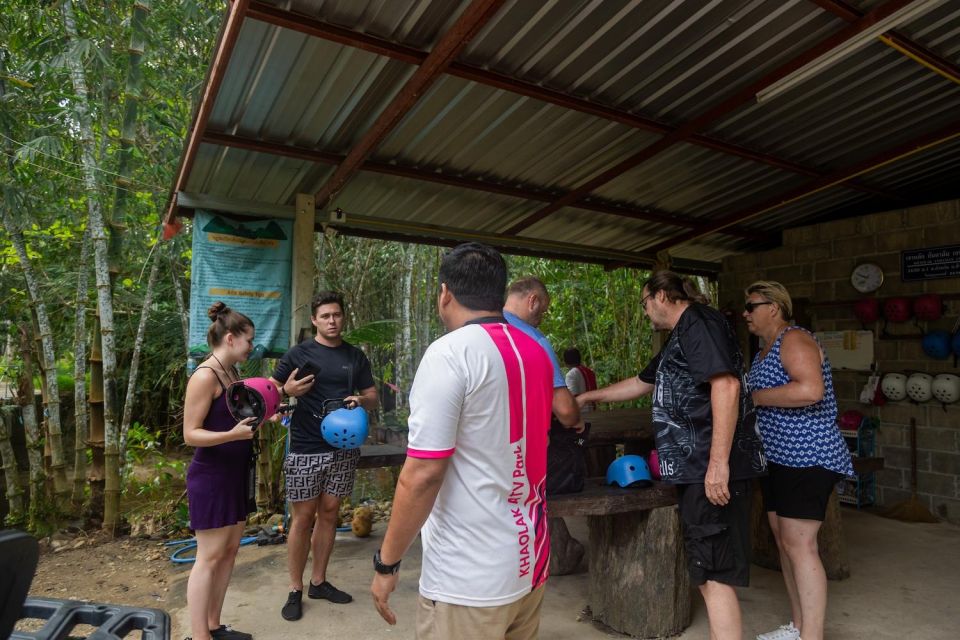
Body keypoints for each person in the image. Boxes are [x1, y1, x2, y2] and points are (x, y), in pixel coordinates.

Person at [370, 242, 554, 639]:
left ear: (445, 293)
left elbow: (421, 475)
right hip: (529, 562)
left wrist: (387, 563)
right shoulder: (536, 353)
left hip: (469, 580)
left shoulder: (450, 355)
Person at [576, 271, 766, 640]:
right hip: (697, 467)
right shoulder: (683, 333)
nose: (645, 313)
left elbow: (726, 385)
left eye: (645, 303)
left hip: (709, 467)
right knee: (708, 570)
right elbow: (642, 382)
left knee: (713, 574)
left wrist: (717, 464)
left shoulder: (699, 323)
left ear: (662, 296)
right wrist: (588, 398)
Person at [744, 281, 853, 640]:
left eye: (751, 306)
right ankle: (798, 626)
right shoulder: (764, 350)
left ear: (773, 307)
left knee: (800, 545)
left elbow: (810, 390)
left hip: (808, 456)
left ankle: (812, 636)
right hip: (778, 457)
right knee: (784, 541)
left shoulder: (793, 340)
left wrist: (756, 397)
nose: (745, 314)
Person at [270, 291, 379, 621]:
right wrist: (287, 391)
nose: (332, 321)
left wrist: (360, 401)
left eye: (337, 315)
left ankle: (319, 581)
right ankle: (294, 588)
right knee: (303, 518)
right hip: (305, 446)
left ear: (343, 317)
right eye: (326, 316)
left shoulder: (355, 357)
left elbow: (373, 396)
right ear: (315, 320)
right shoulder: (298, 354)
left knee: (330, 513)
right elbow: (270, 391)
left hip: (343, 448)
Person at [183, 302, 258, 640]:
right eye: (248, 341)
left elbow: (233, 416)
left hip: (235, 475)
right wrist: (232, 435)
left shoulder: (232, 374)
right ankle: (200, 636)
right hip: (211, 477)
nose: (252, 347)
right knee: (208, 557)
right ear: (230, 338)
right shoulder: (204, 376)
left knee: (228, 553)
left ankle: (214, 625)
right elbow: (190, 434)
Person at [503, 277, 580, 429]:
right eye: (542, 312)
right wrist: (576, 416)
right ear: (532, 301)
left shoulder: (480, 328)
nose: (540, 320)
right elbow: (566, 411)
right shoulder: (534, 339)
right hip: (523, 439)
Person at [563, 347, 597, 412]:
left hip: (582, 413)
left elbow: (572, 398)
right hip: (593, 410)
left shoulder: (571, 374)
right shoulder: (590, 372)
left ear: (565, 362)